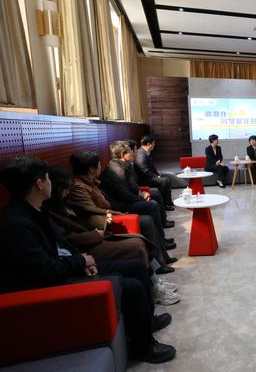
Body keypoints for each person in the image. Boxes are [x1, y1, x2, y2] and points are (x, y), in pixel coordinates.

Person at [0, 156, 176, 364]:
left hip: (69, 267)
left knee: (137, 266)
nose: (50, 183)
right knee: (134, 287)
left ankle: (148, 322)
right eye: (47, 178)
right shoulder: (15, 224)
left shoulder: (37, 211)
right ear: (39, 183)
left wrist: (82, 259)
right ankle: (143, 347)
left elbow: (63, 245)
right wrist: (81, 263)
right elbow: (44, 270)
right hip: (53, 285)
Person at [45, 166, 180, 305]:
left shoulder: (68, 200)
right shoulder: (55, 208)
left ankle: (155, 281)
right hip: (86, 245)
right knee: (137, 244)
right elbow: (69, 235)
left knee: (139, 240)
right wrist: (96, 232)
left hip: (94, 234)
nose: (68, 191)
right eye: (65, 188)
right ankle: (155, 288)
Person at [67, 151, 177, 274]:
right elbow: (91, 210)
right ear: (91, 169)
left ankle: (162, 257)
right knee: (146, 220)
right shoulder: (79, 187)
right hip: (103, 224)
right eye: (98, 164)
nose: (100, 167)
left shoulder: (91, 182)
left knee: (148, 216)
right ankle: (159, 263)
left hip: (111, 213)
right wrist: (117, 213)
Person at [100, 141, 176, 249]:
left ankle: (161, 237)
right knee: (152, 205)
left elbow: (132, 186)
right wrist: (141, 198)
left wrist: (142, 193)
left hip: (123, 199)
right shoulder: (117, 171)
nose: (132, 153)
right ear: (122, 155)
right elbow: (125, 196)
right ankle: (161, 242)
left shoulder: (123, 166)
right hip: (117, 204)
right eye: (130, 151)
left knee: (153, 197)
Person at [135, 135, 176, 210]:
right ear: (149, 144)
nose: (154, 145)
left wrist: (157, 174)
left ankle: (168, 202)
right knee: (164, 181)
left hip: (148, 177)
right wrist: (156, 176)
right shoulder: (141, 154)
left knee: (166, 180)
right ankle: (165, 204)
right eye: (153, 143)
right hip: (143, 179)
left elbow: (151, 167)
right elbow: (144, 170)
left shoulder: (145, 152)